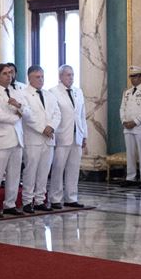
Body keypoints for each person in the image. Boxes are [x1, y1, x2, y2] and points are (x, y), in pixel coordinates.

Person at [0, 63, 28, 218]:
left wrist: (18, 106)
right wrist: (17, 116)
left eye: (10, 73)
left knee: (15, 174)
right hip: (1, 138)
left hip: (17, 138)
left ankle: (10, 204)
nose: (9, 75)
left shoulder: (17, 91)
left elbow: (28, 112)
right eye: (5, 73)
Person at [23, 65, 61, 212]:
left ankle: (40, 200)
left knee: (44, 171)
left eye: (42, 77)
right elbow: (28, 116)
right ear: (30, 78)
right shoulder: (24, 94)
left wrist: (51, 127)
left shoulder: (49, 95)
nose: (41, 80)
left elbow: (57, 114)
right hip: (33, 138)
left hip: (49, 138)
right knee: (31, 170)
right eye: (37, 77)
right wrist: (42, 128)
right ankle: (27, 200)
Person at [48, 65, 86, 208]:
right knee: (58, 167)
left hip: (77, 135)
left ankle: (71, 197)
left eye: (72, 75)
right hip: (61, 135)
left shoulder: (78, 92)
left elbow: (82, 115)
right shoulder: (53, 92)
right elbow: (53, 115)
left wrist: (84, 135)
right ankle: (55, 198)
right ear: (60, 76)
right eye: (68, 75)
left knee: (74, 167)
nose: (71, 78)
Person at [119, 66, 141, 186]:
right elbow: (122, 108)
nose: (132, 79)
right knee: (130, 153)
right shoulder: (127, 92)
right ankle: (130, 177)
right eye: (131, 76)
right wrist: (124, 121)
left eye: (135, 76)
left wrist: (135, 122)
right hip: (127, 127)